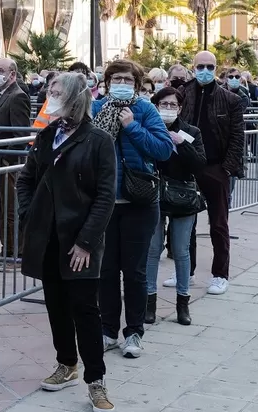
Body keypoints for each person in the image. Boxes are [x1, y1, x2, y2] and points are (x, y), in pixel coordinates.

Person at [18, 71, 116, 412]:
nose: (51, 96)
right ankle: (66, 364)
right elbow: (26, 179)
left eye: (57, 91)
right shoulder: (47, 136)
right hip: (48, 239)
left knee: (85, 310)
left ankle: (96, 381)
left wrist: (86, 242)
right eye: (50, 90)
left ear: (76, 96)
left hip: (80, 240)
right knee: (56, 304)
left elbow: (105, 197)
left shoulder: (98, 141)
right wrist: (30, 215)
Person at [92, 59, 173, 358]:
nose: (121, 83)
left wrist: (132, 126)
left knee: (135, 271)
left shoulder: (145, 109)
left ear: (137, 84)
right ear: (107, 82)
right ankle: (108, 329)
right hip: (105, 203)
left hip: (139, 201)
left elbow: (163, 149)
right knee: (107, 271)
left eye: (127, 79)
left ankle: (134, 331)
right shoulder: (96, 109)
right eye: (116, 78)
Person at [178, 51, 245, 296]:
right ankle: (186, 271)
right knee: (185, 221)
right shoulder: (183, 94)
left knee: (218, 223)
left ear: (216, 68)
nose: (205, 70)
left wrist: (226, 167)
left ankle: (220, 274)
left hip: (216, 167)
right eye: (200, 66)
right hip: (187, 166)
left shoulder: (230, 100)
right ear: (193, 67)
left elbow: (238, 137)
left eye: (210, 66)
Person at [148, 87, 205, 326]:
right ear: (156, 105)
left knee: (181, 251)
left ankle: (183, 302)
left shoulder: (191, 132)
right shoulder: (149, 128)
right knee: (152, 250)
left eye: (173, 105)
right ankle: (149, 302)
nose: (168, 108)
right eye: (164, 104)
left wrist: (182, 143)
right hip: (153, 196)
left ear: (180, 108)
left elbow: (199, 164)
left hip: (182, 197)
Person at [0, 58, 32, 267]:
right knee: (2, 209)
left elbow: (20, 135)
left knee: (10, 209)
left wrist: (9, 160)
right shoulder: (0, 94)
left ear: (12, 74)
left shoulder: (18, 96)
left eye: (0, 70)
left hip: (8, 162)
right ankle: (7, 248)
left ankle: (17, 252)